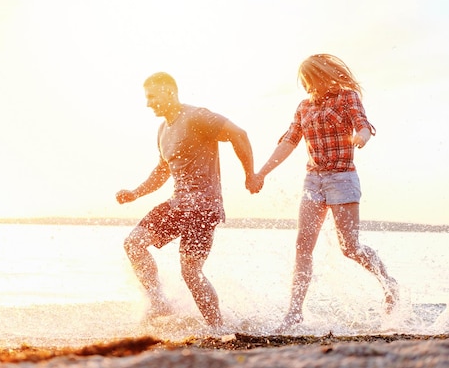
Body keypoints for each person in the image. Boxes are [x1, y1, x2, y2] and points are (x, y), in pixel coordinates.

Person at [247, 54, 398, 332]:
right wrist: (261, 173)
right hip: (313, 181)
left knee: (350, 248)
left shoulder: (347, 97)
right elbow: (289, 142)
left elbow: (363, 125)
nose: (306, 86)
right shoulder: (303, 107)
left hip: (342, 178)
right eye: (303, 81)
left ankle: (389, 283)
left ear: (321, 76)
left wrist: (360, 138)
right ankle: (294, 313)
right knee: (302, 247)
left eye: (309, 80)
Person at [116, 72, 256, 328]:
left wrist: (251, 175)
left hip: (204, 206)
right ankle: (158, 302)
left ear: (170, 92)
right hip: (177, 204)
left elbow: (239, 134)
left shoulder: (196, 116)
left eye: (152, 97)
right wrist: (135, 193)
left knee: (190, 272)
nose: (148, 103)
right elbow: (162, 171)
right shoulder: (162, 130)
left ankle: (217, 328)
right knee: (134, 243)